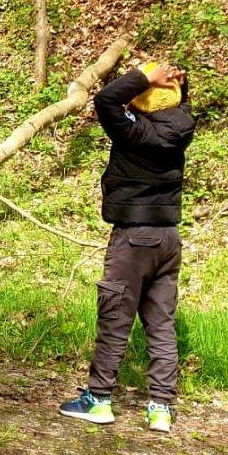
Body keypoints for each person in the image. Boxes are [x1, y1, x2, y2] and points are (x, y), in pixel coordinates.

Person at [59, 61, 195, 433]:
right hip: (169, 237)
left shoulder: (135, 132)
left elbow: (105, 100)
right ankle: (161, 408)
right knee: (161, 324)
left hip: (134, 238)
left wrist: (143, 78)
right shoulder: (181, 125)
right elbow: (177, 103)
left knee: (115, 319)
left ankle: (99, 399)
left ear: (141, 100)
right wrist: (175, 80)